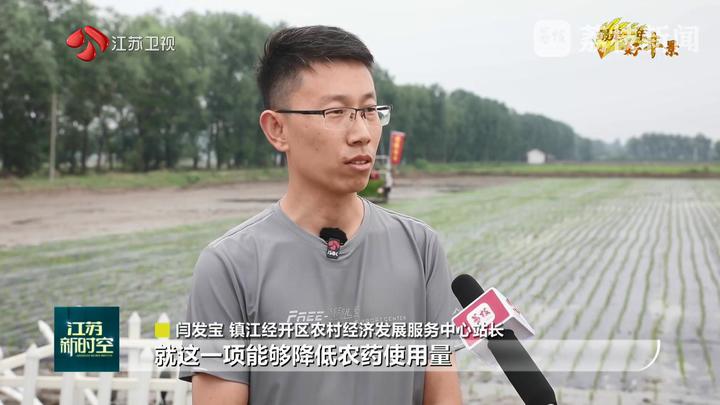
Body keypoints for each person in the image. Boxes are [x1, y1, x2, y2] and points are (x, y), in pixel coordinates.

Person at [179, 25, 463, 405]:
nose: (361, 133)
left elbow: (443, 396)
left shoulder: (420, 248)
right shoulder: (230, 265)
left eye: (369, 111)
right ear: (277, 129)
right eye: (336, 112)